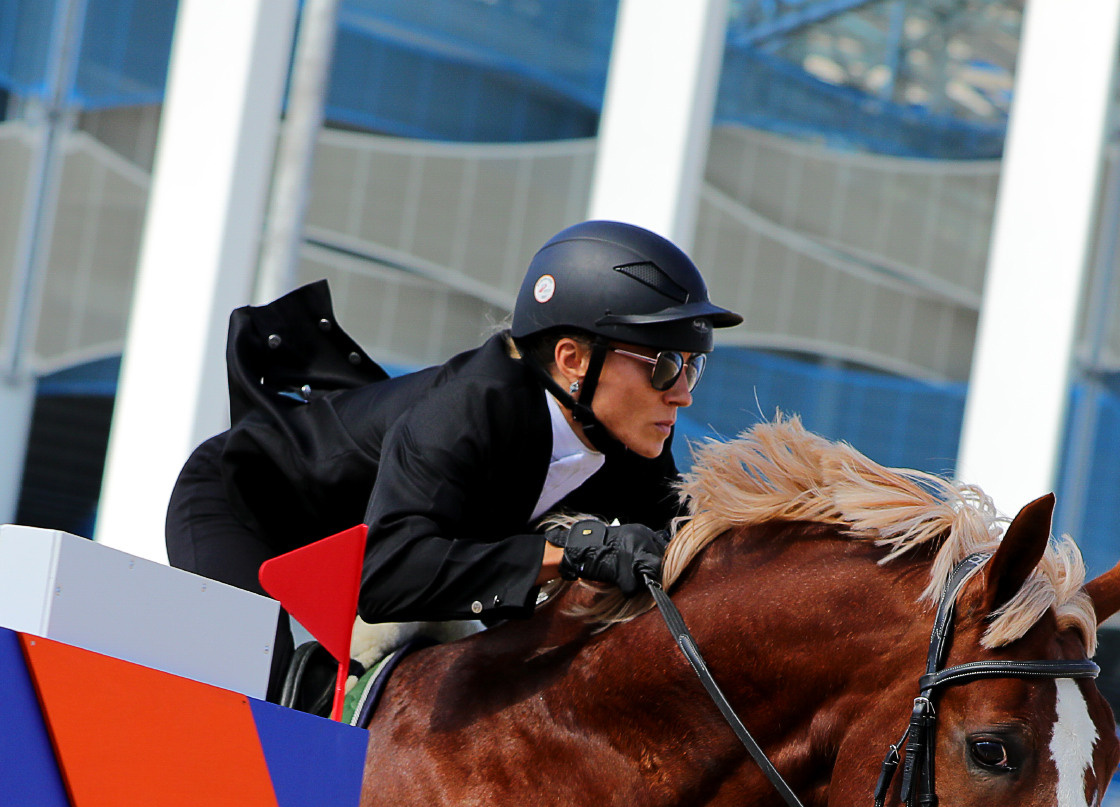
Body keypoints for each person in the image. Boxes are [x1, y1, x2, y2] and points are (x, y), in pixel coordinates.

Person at [165, 219, 740, 689]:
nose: (682, 393)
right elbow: (387, 575)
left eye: (693, 367)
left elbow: (692, 555)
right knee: (262, 679)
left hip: (361, 548)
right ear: (573, 360)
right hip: (245, 504)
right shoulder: (472, 406)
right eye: (664, 366)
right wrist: (571, 552)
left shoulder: (632, 448)